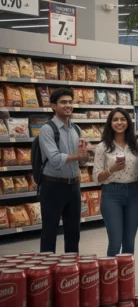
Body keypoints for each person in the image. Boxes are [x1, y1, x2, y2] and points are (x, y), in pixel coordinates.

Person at [93, 108, 138, 256]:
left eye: (123, 119)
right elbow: (97, 177)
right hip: (112, 194)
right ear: (110, 123)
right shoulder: (102, 147)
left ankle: (126, 278)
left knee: (129, 243)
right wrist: (111, 169)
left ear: (128, 122)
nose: (119, 122)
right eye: (115, 119)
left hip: (133, 195)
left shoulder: (135, 145)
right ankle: (111, 278)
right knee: (115, 242)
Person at [38, 88, 88, 253]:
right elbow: (55, 159)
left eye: (70, 102)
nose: (68, 105)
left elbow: (81, 160)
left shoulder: (77, 129)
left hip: (73, 186)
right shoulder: (47, 129)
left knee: (74, 233)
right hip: (52, 186)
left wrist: (86, 155)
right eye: (63, 102)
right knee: (49, 231)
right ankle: (46, 273)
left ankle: (70, 271)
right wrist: (77, 155)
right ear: (53, 106)